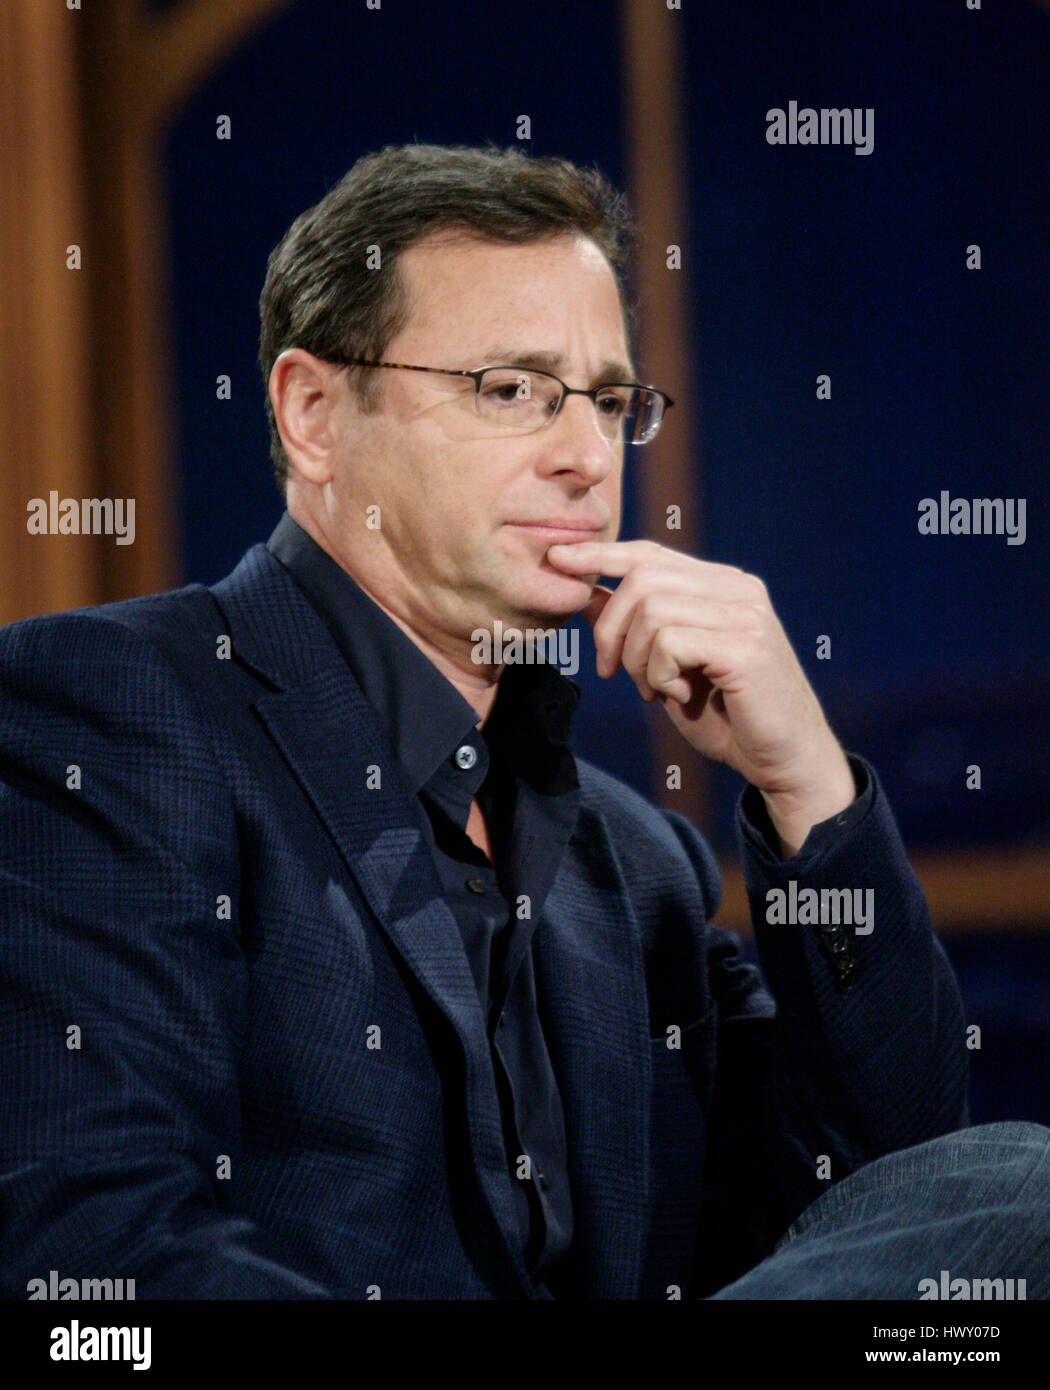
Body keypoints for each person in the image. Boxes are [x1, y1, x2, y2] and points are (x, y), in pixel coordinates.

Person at [1, 143, 1045, 1301]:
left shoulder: (634, 863)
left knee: (1014, 1195)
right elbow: (88, 1267)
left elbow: (888, 1198)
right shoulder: (113, 709)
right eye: (512, 390)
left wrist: (804, 783)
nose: (587, 457)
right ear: (311, 413)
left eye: (609, 401)